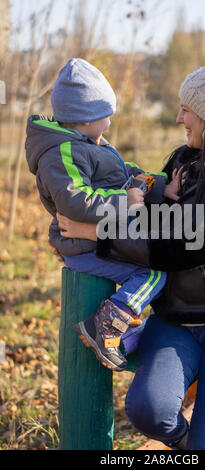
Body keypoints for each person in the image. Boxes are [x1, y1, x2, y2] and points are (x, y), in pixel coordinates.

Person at [55, 51, 205, 450]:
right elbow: (145, 223)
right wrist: (81, 242)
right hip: (176, 320)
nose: (178, 119)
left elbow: (180, 249)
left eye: (186, 109)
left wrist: (94, 234)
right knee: (146, 410)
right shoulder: (181, 163)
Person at [25, 58, 185, 372]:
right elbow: (74, 200)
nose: (109, 125)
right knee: (153, 274)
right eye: (104, 117)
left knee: (155, 269)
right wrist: (124, 201)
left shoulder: (91, 144)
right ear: (83, 119)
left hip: (101, 236)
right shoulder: (61, 153)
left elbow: (125, 174)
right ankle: (107, 325)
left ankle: (125, 330)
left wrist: (160, 187)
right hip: (82, 244)